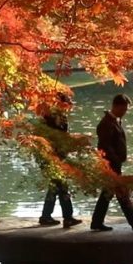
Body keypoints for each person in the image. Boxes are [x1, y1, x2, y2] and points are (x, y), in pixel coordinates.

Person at [90, 94, 133, 232]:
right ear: (116, 106)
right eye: (123, 109)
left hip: (114, 163)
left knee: (108, 194)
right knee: (120, 193)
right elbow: (105, 146)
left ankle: (97, 222)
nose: (125, 112)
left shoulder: (114, 122)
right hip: (110, 164)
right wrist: (114, 160)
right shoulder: (106, 123)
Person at [35, 93, 83, 228]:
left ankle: (49, 216)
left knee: (57, 187)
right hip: (54, 157)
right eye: (67, 103)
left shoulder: (49, 117)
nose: (69, 106)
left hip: (54, 156)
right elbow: (59, 137)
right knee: (60, 187)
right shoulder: (53, 118)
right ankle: (64, 217)